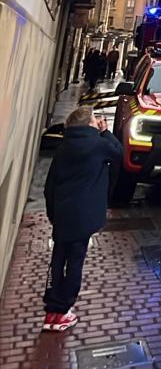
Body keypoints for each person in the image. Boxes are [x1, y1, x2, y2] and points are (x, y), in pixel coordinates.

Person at [42, 105, 122, 332]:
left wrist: (52, 213)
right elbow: (118, 153)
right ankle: (63, 310)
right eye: (95, 119)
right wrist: (105, 132)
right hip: (84, 215)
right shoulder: (98, 145)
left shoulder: (63, 147)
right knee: (75, 262)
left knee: (58, 259)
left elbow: (50, 184)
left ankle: (52, 310)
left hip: (62, 213)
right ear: (89, 123)